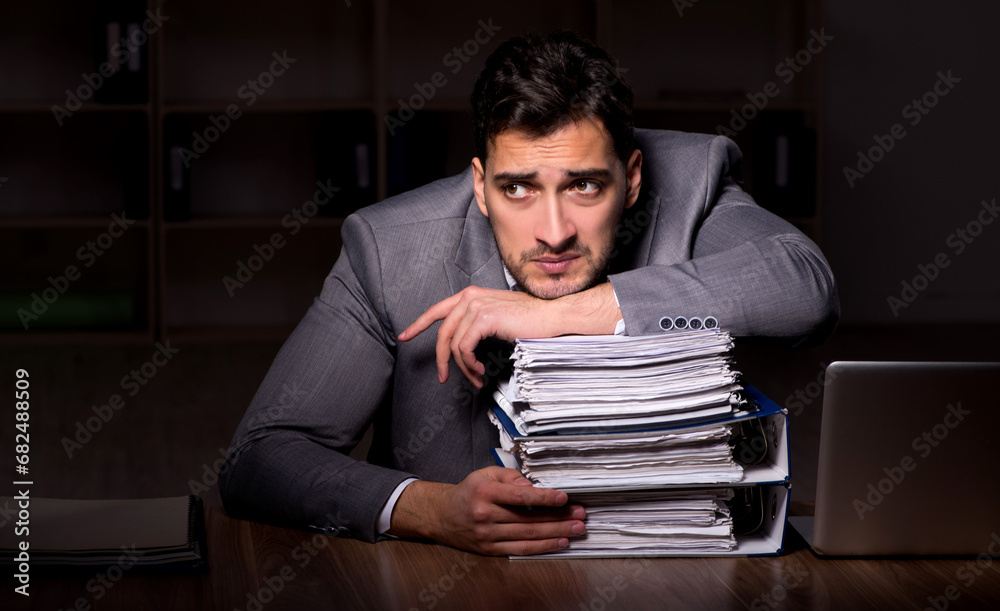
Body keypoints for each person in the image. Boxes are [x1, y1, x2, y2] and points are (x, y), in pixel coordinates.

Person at [219, 30, 839, 556]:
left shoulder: (691, 179)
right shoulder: (390, 250)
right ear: (482, 185)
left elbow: (804, 288)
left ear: (632, 178)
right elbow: (260, 458)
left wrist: (567, 313)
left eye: (585, 187)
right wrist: (431, 511)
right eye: (518, 189)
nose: (554, 233)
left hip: (669, 566)